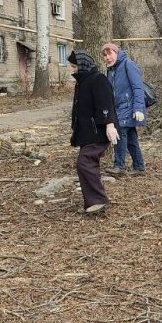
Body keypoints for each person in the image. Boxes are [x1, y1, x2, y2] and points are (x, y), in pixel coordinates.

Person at [69, 49, 120, 214]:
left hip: (99, 132)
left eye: (73, 66)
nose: (72, 69)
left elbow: (106, 103)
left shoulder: (98, 80)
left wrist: (110, 125)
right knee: (88, 163)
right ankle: (95, 201)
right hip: (87, 132)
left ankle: (98, 201)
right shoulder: (82, 81)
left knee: (84, 163)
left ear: (82, 65)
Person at [101, 43, 147, 175]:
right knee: (131, 137)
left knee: (119, 132)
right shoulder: (111, 69)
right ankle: (139, 167)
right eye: (105, 55)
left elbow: (138, 88)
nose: (107, 57)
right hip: (118, 109)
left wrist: (138, 108)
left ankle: (119, 166)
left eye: (110, 54)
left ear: (116, 53)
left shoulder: (128, 64)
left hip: (129, 107)